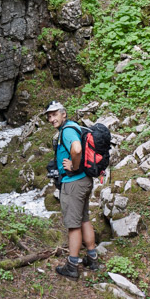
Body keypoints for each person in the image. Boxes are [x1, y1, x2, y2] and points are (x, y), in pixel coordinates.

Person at [45, 100, 99, 279]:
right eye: (49, 116)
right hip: (84, 181)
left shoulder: (67, 131)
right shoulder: (73, 127)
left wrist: (74, 167)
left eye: (54, 114)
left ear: (64, 114)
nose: (52, 119)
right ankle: (92, 258)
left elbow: (76, 149)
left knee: (73, 225)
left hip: (74, 182)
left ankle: (72, 266)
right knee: (84, 219)